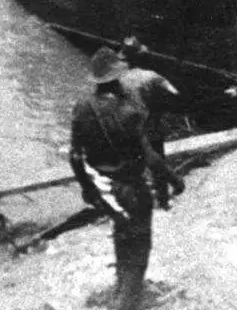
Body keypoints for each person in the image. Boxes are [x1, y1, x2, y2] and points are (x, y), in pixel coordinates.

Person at [70, 46, 185, 310]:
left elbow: (75, 157)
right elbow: (151, 157)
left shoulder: (82, 107)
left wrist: (88, 189)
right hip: (132, 188)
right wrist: (174, 179)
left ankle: (122, 290)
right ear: (117, 78)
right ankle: (126, 301)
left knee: (122, 237)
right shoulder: (129, 110)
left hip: (104, 190)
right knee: (140, 249)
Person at [119, 36, 182, 209]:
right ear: (142, 56)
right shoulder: (152, 76)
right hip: (152, 125)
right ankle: (164, 198)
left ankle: (138, 200)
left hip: (131, 129)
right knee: (158, 159)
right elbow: (174, 93)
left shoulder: (119, 81)